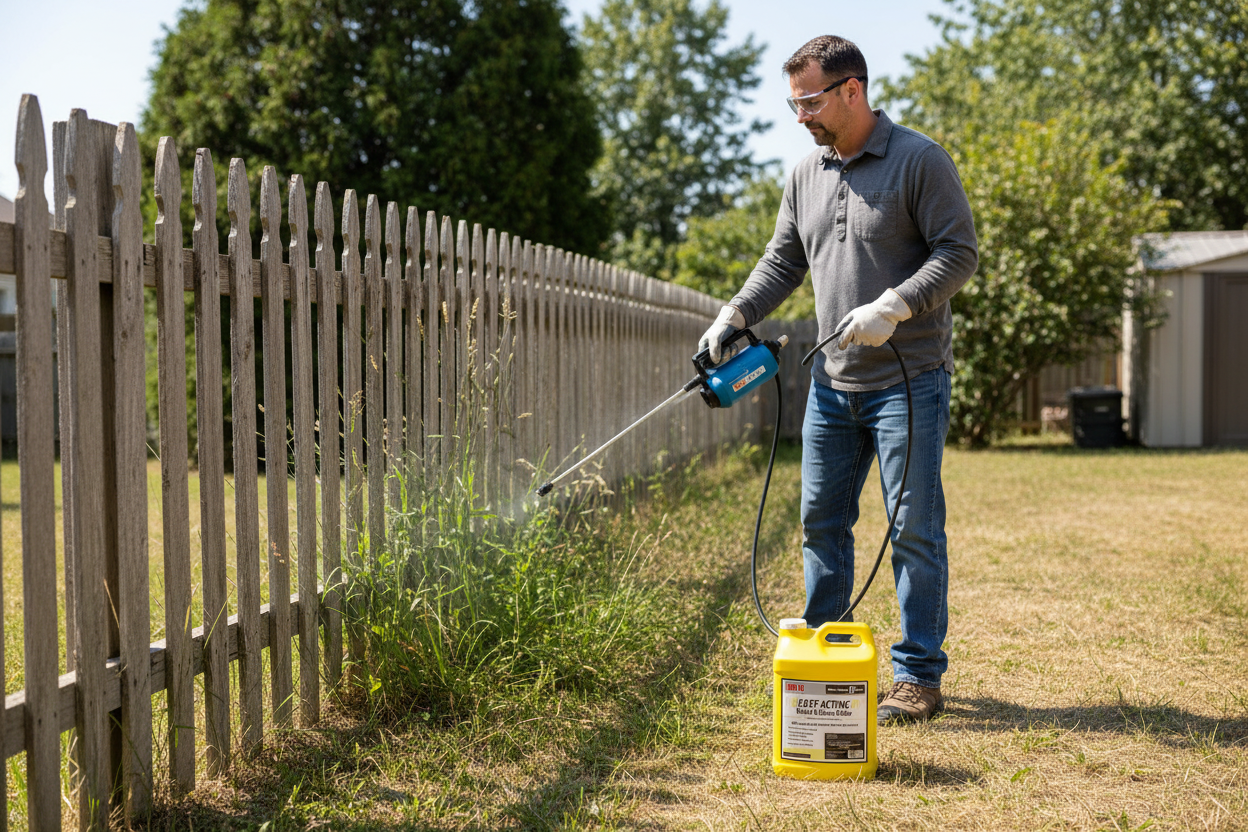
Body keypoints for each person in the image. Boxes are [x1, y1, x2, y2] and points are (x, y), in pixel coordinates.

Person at [699, 35, 978, 724]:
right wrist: (733, 314)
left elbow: (959, 254)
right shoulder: (806, 173)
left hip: (909, 382)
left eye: (811, 102)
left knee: (913, 527)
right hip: (833, 383)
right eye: (793, 104)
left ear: (852, 90)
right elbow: (782, 262)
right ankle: (826, 653)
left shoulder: (919, 160)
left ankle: (917, 676)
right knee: (821, 520)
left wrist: (896, 305)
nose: (801, 117)